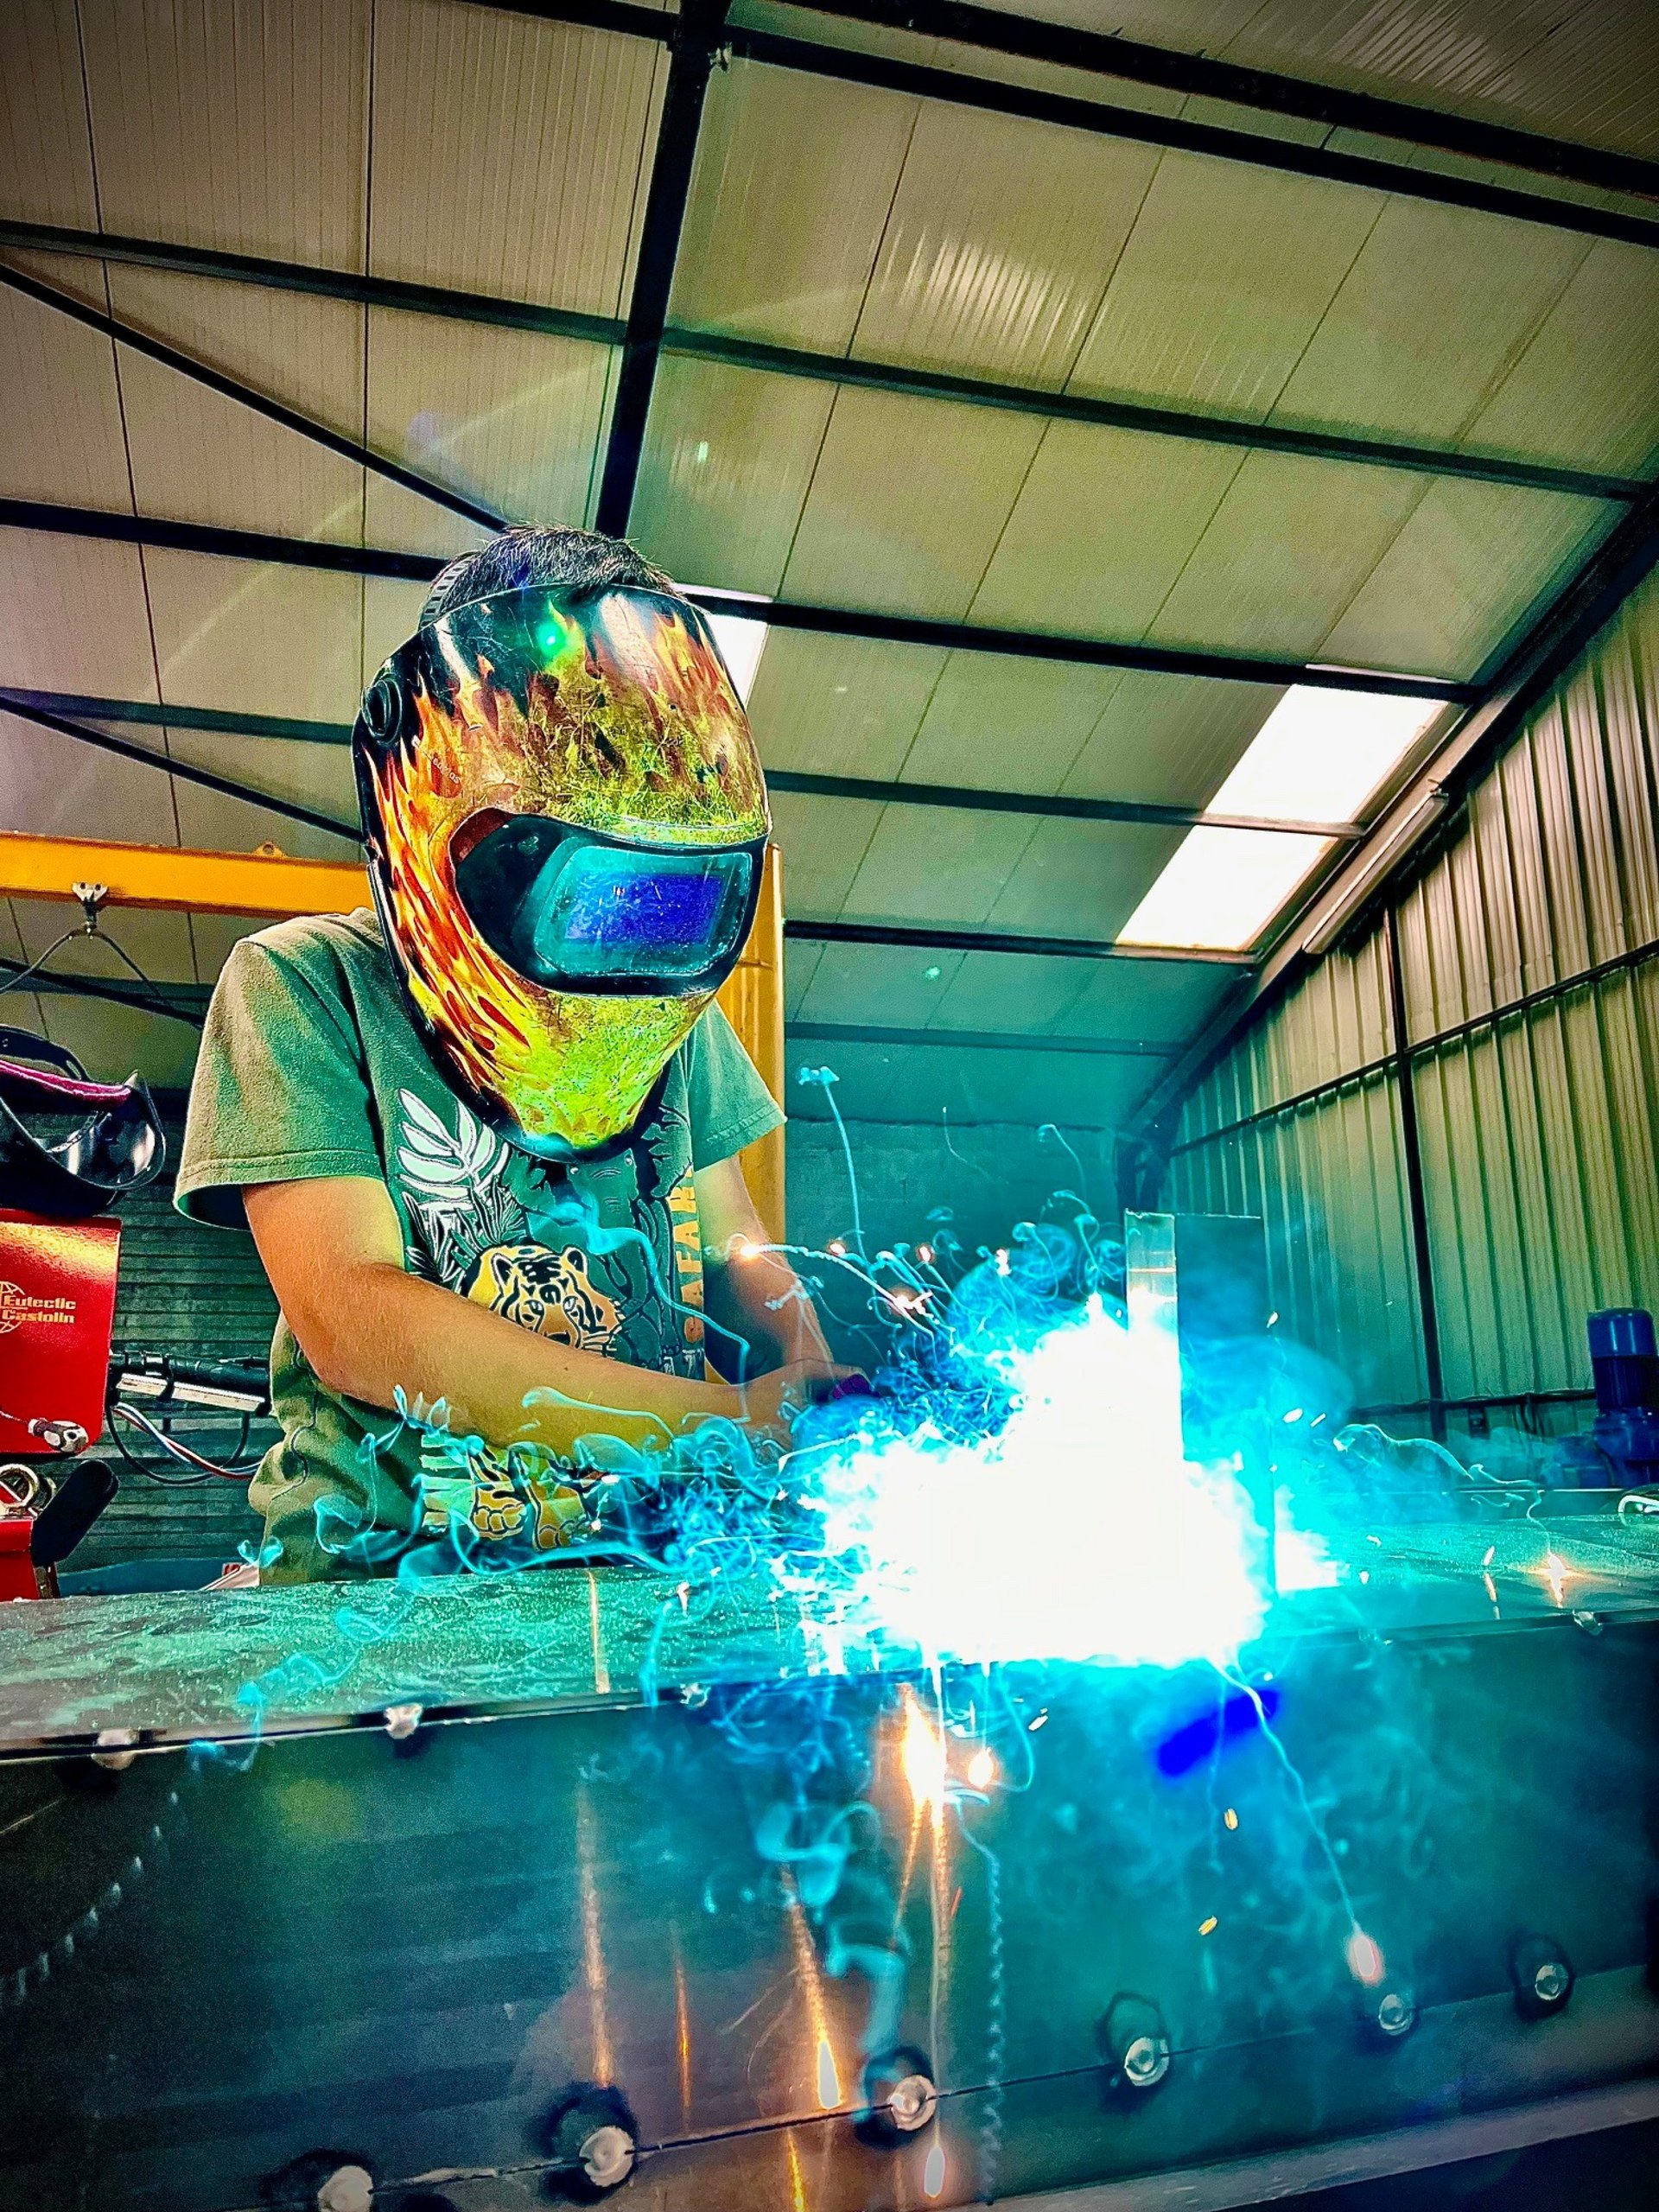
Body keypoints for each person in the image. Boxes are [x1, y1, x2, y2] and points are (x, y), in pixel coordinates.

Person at [176, 527, 837, 1580]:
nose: (633, 949)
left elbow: (735, 1249)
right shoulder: (303, 984)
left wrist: (811, 1369)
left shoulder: (677, 1017)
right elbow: (353, 1315)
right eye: (598, 897)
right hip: (380, 1594)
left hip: (630, 1589)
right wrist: (720, 1428)